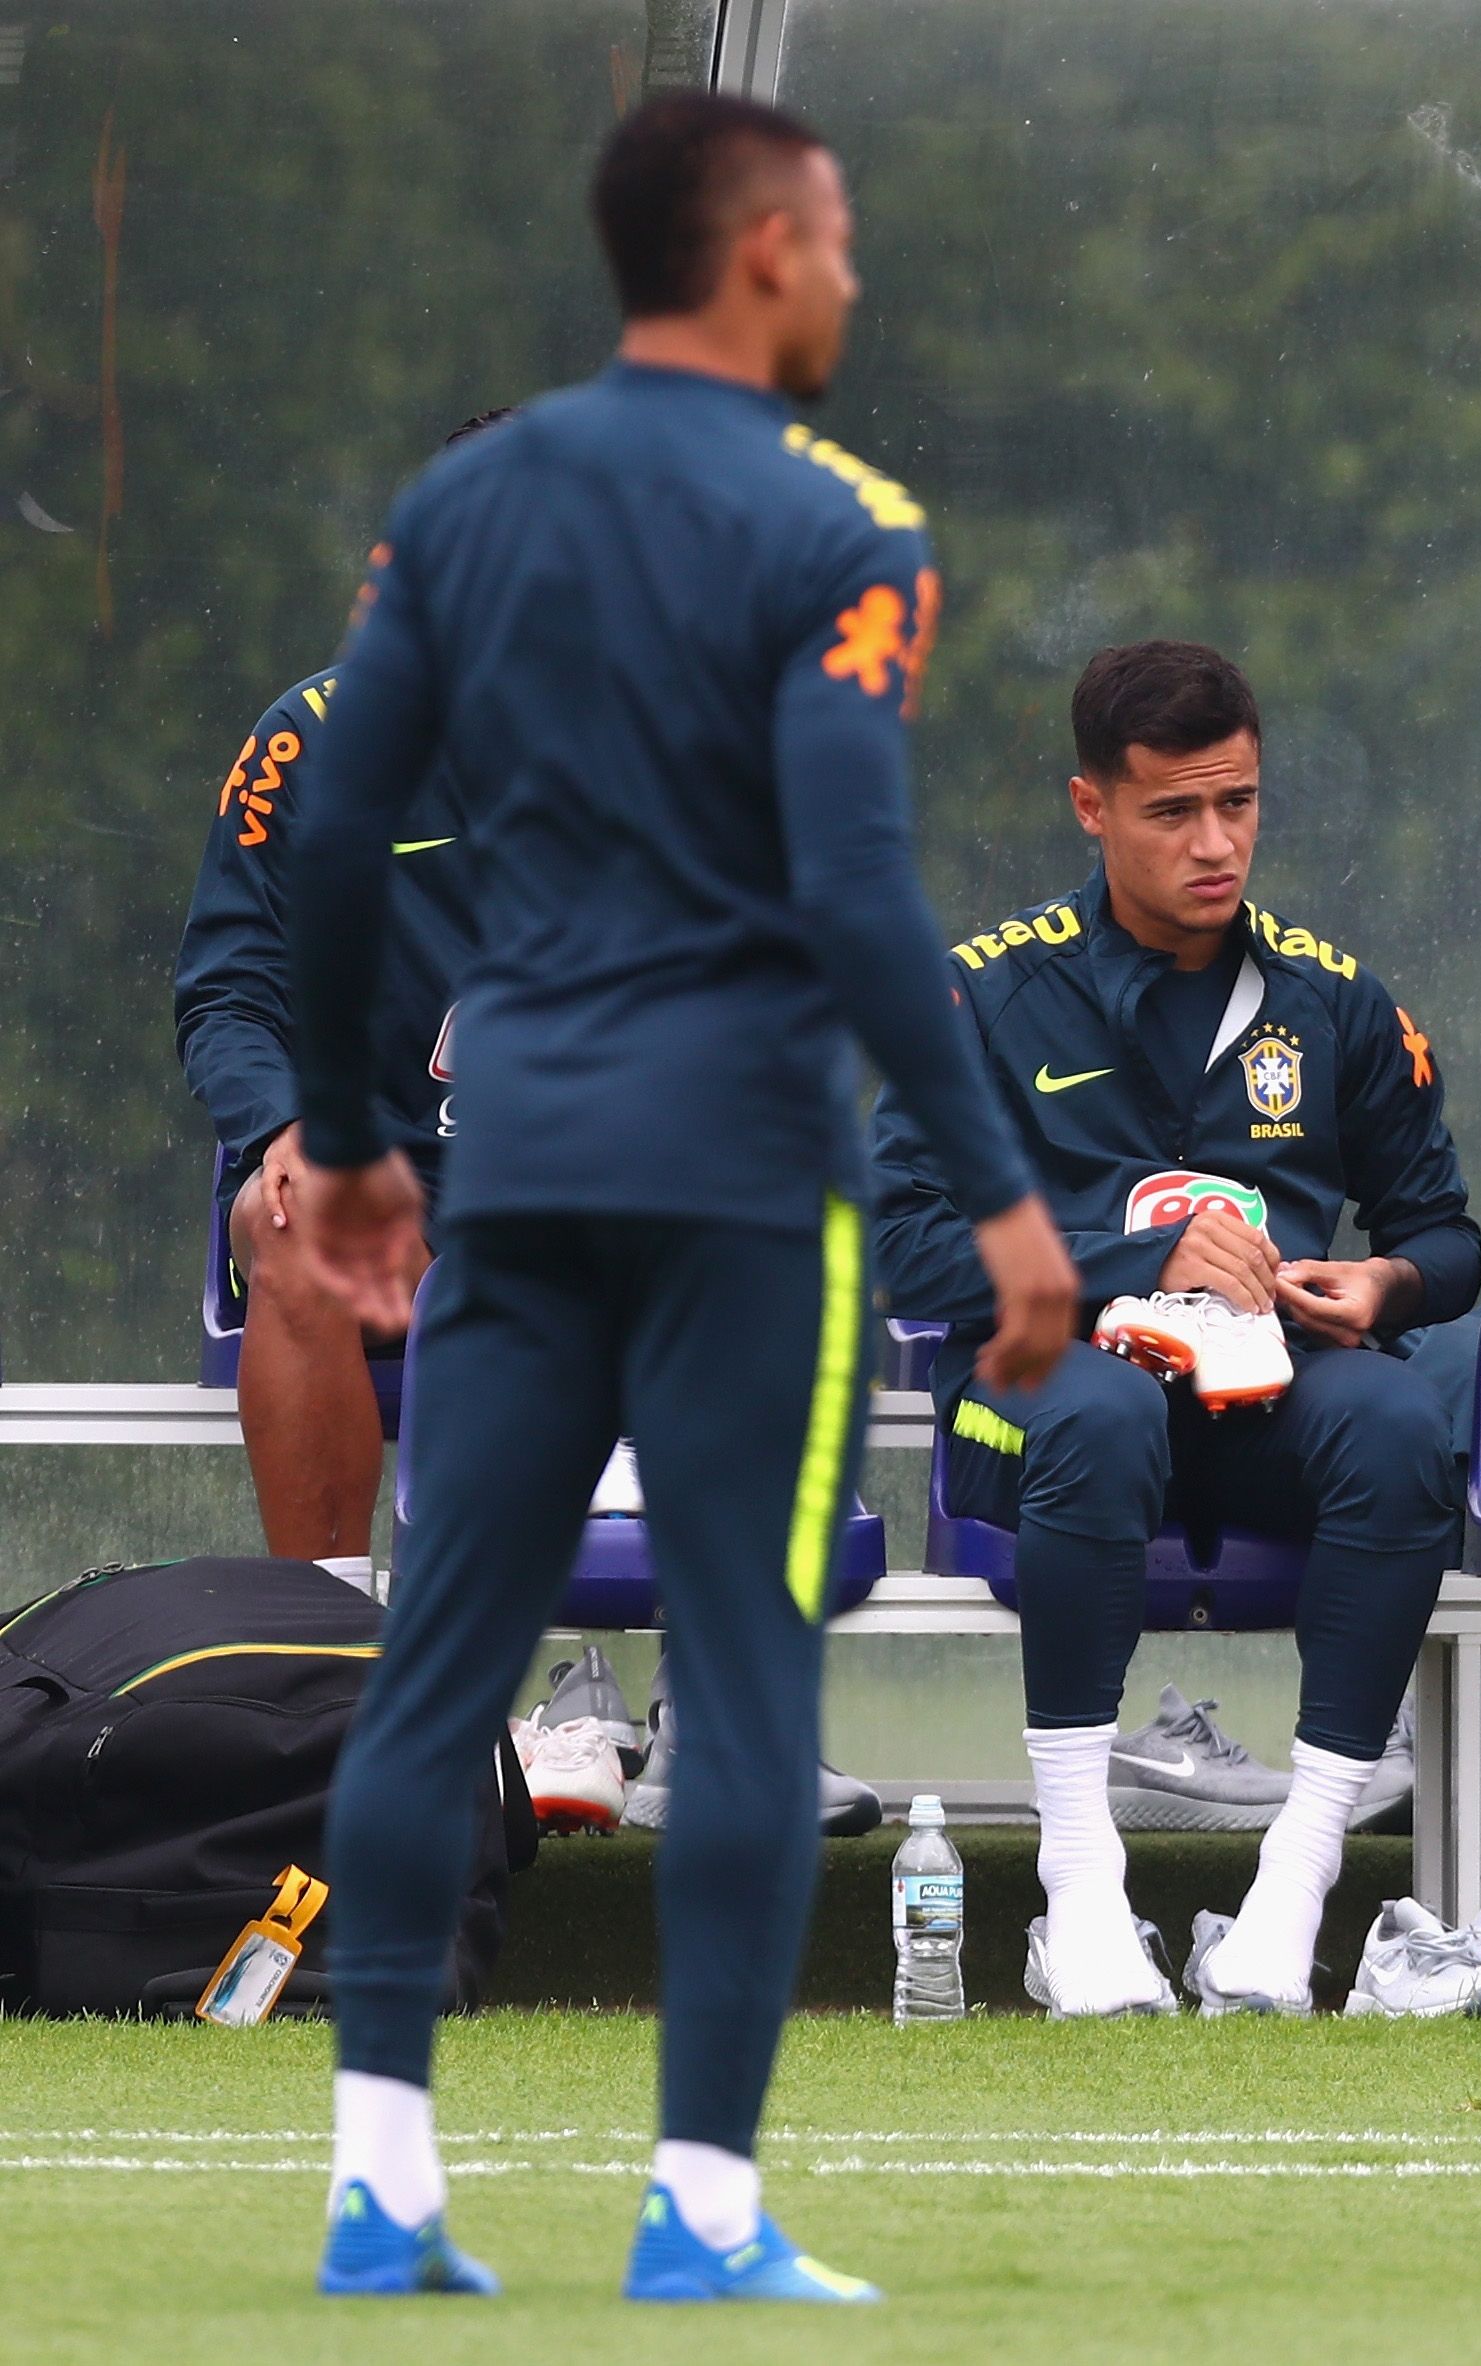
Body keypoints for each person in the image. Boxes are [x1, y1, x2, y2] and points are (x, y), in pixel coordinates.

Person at [284, 92, 1075, 2302]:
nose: (847, 279)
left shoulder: (461, 501)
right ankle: (699, 2213)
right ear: (753, 250)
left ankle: (379, 2191)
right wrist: (1005, 1197)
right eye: (831, 242)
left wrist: (352, 1136)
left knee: (436, 1665)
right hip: (744, 1185)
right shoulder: (846, 524)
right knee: (744, 1686)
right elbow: (847, 877)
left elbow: (336, 836)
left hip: (516, 1164)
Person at [871, 639, 1481, 2021]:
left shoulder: (1334, 1003)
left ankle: (1290, 1891)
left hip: (1266, 1402)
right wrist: (1128, 1262)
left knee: (1402, 1425)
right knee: (1097, 1415)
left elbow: (1450, 1238)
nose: (1215, 843)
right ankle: (1080, 1888)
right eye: (1173, 812)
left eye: (1239, 803)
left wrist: (1383, 1287)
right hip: (1043, 1404)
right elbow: (900, 1239)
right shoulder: (984, 992)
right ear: (1092, 806)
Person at [172, 410, 508, 1578]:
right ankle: (328, 1658)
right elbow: (226, 991)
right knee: (302, 1222)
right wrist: (283, 1126)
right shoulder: (307, 742)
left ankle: (695, 1711)